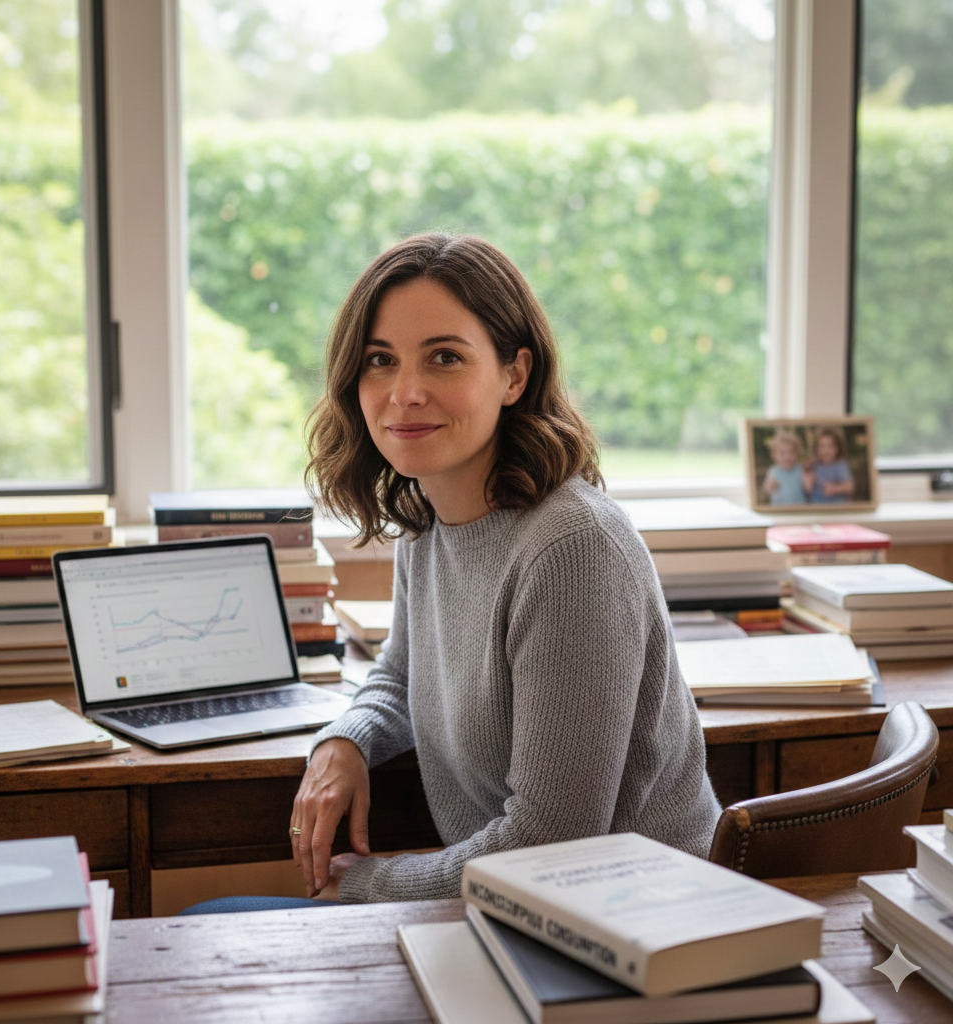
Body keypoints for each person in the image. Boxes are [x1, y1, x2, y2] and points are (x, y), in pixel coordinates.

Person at [182, 233, 721, 914]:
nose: (405, 393)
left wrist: (369, 886)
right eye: (380, 361)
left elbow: (548, 843)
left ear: (514, 375)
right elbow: (400, 676)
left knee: (206, 927)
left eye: (444, 358)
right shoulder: (430, 515)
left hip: (631, 932)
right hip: (514, 919)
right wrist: (345, 741)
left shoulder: (572, 547)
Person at [804, 426, 855, 504]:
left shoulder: (840, 465)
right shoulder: (815, 465)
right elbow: (808, 487)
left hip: (836, 509)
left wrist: (834, 489)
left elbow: (850, 487)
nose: (826, 450)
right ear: (816, 449)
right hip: (817, 508)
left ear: (837, 448)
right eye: (822, 446)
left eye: (830, 446)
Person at [761, 429, 807, 506]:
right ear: (774, 454)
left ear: (797, 454)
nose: (787, 457)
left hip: (799, 509)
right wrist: (769, 486)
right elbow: (766, 488)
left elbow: (807, 488)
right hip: (780, 510)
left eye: (791, 452)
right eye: (782, 453)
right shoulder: (773, 471)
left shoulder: (800, 469)